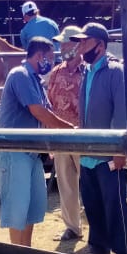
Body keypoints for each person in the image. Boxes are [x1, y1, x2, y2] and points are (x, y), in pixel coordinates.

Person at [0, 37, 74, 246]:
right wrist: (69, 129)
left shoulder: (34, 80)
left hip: (31, 151)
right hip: (16, 151)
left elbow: (47, 111)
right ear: (40, 55)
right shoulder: (20, 75)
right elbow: (39, 112)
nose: (52, 61)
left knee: (31, 208)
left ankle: (26, 251)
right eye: (50, 57)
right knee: (18, 208)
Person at [71, 23, 127, 254]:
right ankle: (98, 246)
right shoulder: (87, 71)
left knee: (114, 203)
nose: (81, 46)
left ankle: (124, 251)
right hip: (88, 150)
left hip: (107, 152)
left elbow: (121, 111)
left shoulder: (116, 72)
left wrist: (119, 149)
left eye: (85, 42)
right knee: (92, 202)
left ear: (100, 45)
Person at [46, 25, 86, 242]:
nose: (62, 48)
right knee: (66, 183)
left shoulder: (88, 71)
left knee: (89, 183)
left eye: (66, 44)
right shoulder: (56, 72)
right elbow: (49, 104)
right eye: (61, 44)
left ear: (78, 45)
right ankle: (72, 227)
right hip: (61, 136)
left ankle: (97, 228)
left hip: (85, 136)